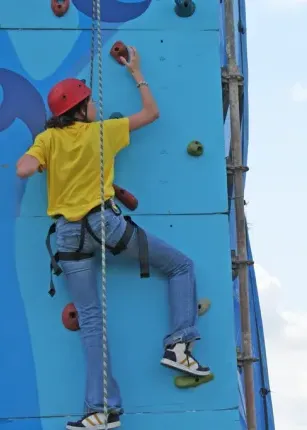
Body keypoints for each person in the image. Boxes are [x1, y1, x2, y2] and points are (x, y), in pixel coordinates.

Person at [16, 47, 211, 430]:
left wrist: (42, 161)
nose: (95, 106)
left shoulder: (47, 140)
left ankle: (101, 410)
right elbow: (152, 114)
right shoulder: (102, 132)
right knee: (180, 266)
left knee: (91, 322)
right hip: (106, 226)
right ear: (81, 106)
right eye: (90, 101)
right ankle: (179, 344)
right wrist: (137, 73)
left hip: (68, 239)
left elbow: (23, 169)